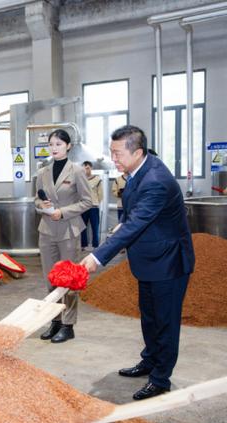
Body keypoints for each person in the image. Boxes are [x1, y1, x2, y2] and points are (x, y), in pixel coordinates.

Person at [80, 125, 195, 401]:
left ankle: (160, 378)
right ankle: (150, 360)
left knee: (165, 323)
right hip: (148, 260)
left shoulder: (155, 179)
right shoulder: (136, 172)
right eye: (111, 152)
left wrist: (97, 256)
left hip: (168, 263)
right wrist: (120, 226)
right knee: (150, 317)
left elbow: (139, 222)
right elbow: (132, 216)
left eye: (118, 153)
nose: (113, 159)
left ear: (138, 152)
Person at [35, 129, 92, 343]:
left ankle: (68, 325)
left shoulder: (76, 171)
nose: (54, 148)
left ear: (68, 146)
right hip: (47, 230)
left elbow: (88, 201)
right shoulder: (43, 172)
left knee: (68, 280)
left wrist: (64, 212)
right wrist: (43, 205)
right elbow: (36, 200)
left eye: (59, 144)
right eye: (51, 144)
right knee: (50, 279)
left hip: (69, 230)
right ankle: (55, 321)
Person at [80, 161, 102, 251]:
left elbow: (100, 194)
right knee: (82, 227)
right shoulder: (80, 180)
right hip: (83, 207)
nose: (86, 170)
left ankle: (95, 245)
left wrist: (96, 202)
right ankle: (83, 245)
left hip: (93, 207)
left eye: (87, 168)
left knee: (95, 226)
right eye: (84, 168)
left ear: (91, 168)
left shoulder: (97, 179)